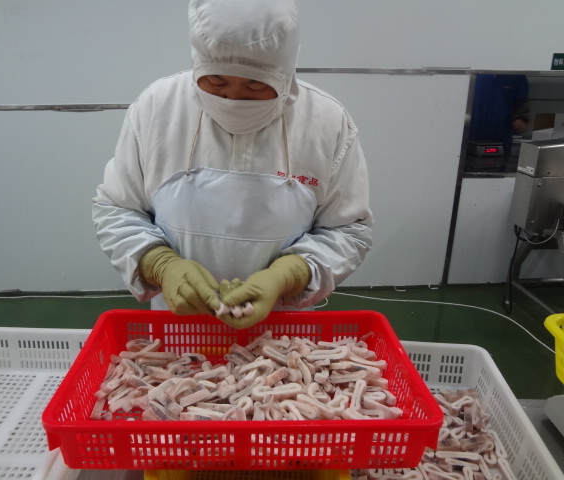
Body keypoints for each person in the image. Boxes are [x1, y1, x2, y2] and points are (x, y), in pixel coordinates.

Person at [92, 0, 373, 329]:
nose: (234, 99)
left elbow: (348, 230)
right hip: (178, 326)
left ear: (285, 71)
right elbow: (117, 209)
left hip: (284, 334)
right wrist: (161, 264)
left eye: (255, 84)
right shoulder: (157, 108)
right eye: (217, 82)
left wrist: (290, 274)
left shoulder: (326, 122)